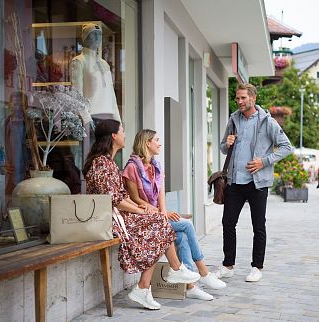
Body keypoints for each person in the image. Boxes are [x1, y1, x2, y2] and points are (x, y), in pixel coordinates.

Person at [82, 119, 200, 310]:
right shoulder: (101, 164)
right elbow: (114, 200)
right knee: (158, 222)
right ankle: (167, 274)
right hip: (105, 219)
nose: (125, 134)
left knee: (158, 221)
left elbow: (121, 197)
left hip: (116, 215)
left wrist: (143, 209)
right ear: (114, 136)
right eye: (122, 131)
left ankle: (150, 284)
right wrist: (139, 210)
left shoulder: (109, 162)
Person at [122, 129, 226, 301]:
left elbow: (161, 191)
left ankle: (191, 286)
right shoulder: (132, 167)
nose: (160, 143)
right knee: (186, 225)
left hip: (156, 215)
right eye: (157, 140)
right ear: (147, 143)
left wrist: (163, 211)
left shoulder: (156, 165)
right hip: (143, 217)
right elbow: (135, 198)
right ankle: (203, 272)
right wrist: (159, 213)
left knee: (181, 237)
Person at [215, 83, 293, 282]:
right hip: (235, 181)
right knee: (227, 223)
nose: (239, 102)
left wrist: (264, 161)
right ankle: (228, 265)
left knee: (258, 225)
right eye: (237, 98)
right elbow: (223, 148)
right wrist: (227, 144)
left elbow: (286, 147)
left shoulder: (267, 121)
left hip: (257, 183)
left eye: (243, 98)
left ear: (253, 98)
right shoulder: (234, 119)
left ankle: (257, 267)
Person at [70, 23, 121, 122]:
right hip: (92, 117)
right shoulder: (79, 61)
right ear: (85, 37)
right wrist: (86, 119)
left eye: (99, 34)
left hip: (109, 118)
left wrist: (118, 121)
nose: (97, 37)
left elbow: (111, 96)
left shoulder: (104, 64)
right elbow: (77, 94)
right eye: (94, 34)